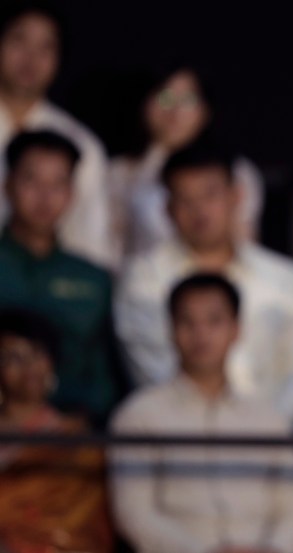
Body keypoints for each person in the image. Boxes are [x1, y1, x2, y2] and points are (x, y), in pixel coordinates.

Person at [113, 139, 293, 430]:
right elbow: (154, 370)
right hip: (179, 440)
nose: (199, 211)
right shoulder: (143, 280)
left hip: (274, 441)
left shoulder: (287, 279)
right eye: (185, 199)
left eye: (210, 195)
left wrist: (263, 429)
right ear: (167, 208)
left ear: (236, 196)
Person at [108, 272, 293, 553]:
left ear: (236, 330)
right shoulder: (139, 416)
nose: (201, 334)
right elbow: (134, 513)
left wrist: (274, 550)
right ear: (170, 330)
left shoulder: (268, 419)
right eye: (187, 322)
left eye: (214, 321)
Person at [0, 129, 128, 430]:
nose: (45, 196)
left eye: (58, 183)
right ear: (7, 186)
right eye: (31, 180)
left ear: (72, 193)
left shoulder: (94, 280)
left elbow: (104, 380)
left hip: (68, 439)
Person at [107, 60, 265, 265]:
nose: (175, 111)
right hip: (146, 285)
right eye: (165, 98)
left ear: (205, 109)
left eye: (188, 99)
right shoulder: (121, 172)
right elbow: (110, 244)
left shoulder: (237, 171)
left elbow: (245, 245)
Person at [0, 0, 114, 270]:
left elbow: (90, 239)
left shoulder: (81, 143)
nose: (30, 57)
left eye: (45, 47)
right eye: (19, 40)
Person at [0, 307, 114, 553]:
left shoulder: (76, 440)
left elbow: (83, 519)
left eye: (37, 354)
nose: (28, 366)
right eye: (12, 357)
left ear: (51, 360)